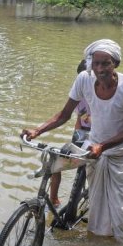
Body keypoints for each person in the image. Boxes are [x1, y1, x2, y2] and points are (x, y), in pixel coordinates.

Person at [23, 39, 123, 243]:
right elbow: (64, 115)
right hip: (93, 148)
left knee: (120, 208)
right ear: (90, 64)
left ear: (116, 64)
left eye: (106, 63)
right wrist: (37, 130)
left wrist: (103, 146)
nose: (100, 69)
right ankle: (97, 240)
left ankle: (120, 245)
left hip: (122, 152)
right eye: (96, 63)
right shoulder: (83, 80)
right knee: (96, 205)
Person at [49, 59, 92, 207]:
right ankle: (53, 198)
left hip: (101, 136)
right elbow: (79, 119)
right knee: (58, 161)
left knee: (97, 168)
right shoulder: (78, 93)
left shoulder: (105, 92)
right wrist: (77, 139)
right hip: (84, 132)